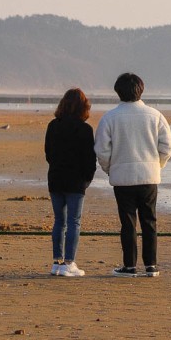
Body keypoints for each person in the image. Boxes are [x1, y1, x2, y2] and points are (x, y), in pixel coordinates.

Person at [94, 73, 171, 277]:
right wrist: (158, 164)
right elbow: (167, 146)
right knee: (149, 221)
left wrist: (110, 168)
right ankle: (151, 265)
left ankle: (129, 266)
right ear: (141, 90)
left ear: (118, 92)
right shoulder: (155, 115)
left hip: (122, 177)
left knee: (127, 222)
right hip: (149, 176)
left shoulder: (110, 117)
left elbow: (102, 150)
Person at [45, 88, 97, 277]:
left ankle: (57, 262)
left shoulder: (53, 125)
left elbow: (48, 153)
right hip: (76, 182)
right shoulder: (84, 129)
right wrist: (87, 179)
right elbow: (90, 159)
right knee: (74, 222)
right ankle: (69, 262)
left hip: (56, 179)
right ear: (84, 107)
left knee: (60, 221)